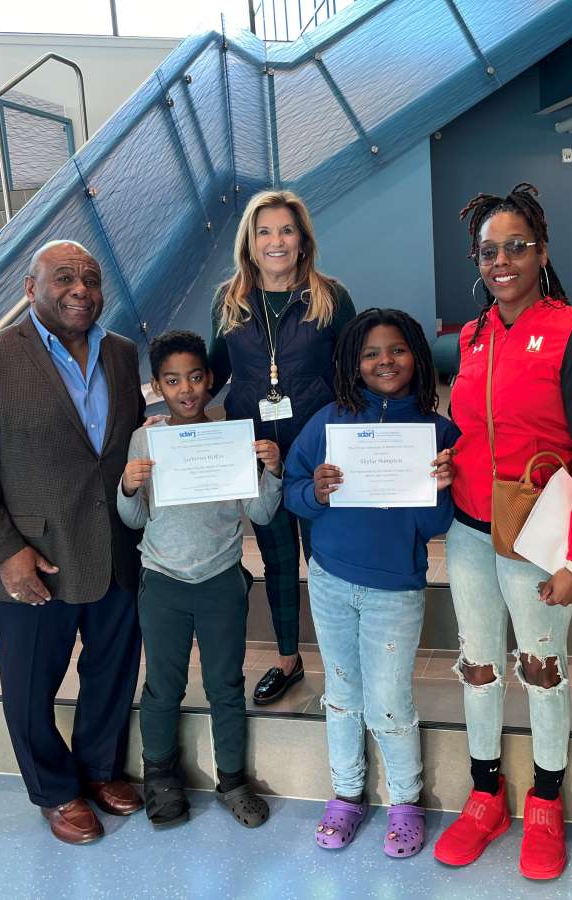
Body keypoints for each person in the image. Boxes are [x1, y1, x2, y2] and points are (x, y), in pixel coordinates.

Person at [433, 184, 572, 881]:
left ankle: (544, 801)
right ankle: (486, 794)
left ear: (541, 251)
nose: (502, 260)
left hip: (536, 540)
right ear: (475, 259)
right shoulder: (471, 337)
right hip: (470, 534)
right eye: (489, 250)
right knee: (478, 668)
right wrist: (445, 462)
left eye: (516, 246)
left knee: (541, 671)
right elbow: (468, 428)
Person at [0, 240, 145, 845]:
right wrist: (4, 552)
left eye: (91, 278)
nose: (81, 289)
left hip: (115, 548)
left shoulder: (123, 354)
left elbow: (123, 445)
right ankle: (55, 790)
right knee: (30, 688)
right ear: (31, 288)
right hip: (35, 559)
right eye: (63, 278)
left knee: (112, 669)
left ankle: (100, 769)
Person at [283, 308, 458, 859]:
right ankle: (347, 794)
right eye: (371, 353)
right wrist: (318, 491)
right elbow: (293, 494)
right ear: (353, 363)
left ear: (417, 358)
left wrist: (442, 487)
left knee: (387, 698)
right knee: (341, 692)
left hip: (395, 590)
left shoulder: (437, 431)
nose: (385, 361)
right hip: (331, 580)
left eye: (398, 350)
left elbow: (435, 526)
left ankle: (406, 800)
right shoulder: (327, 423)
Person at [117, 330, 281, 829]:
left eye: (194, 377)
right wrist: (128, 487)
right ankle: (160, 777)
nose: (185, 389)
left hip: (220, 579)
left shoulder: (233, 435)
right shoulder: (146, 438)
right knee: (162, 686)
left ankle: (232, 780)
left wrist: (271, 471)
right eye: (172, 380)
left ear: (209, 380)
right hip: (163, 580)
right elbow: (134, 520)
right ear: (157, 386)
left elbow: (262, 513)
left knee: (225, 684)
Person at [209, 190, 356, 705]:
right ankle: (288, 659)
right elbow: (212, 373)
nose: (276, 241)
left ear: (302, 240)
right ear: (249, 243)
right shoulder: (227, 301)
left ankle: (341, 662)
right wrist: (174, 415)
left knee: (327, 558)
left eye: (286, 231)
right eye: (264, 231)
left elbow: (353, 372)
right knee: (276, 559)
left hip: (318, 454)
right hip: (258, 458)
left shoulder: (330, 297)